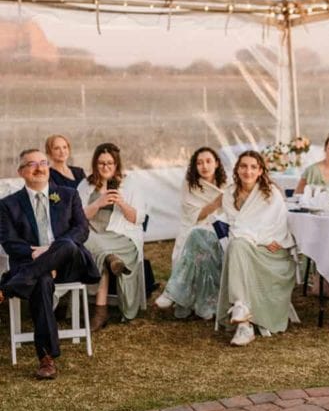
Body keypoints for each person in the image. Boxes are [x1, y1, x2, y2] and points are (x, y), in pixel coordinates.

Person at [0, 148, 99, 379]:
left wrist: (50, 251)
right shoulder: (8, 205)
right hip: (34, 267)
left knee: (67, 245)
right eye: (32, 164)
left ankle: (9, 287)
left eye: (43, 163)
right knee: (42, 280)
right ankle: (46, 358)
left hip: (69, 265)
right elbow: (9, 242)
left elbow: (82, 230)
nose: (39, 168)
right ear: (21, 172)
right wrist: (40, 259)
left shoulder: (68, 194)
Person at [216, 150, 296, 346]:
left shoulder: (271, 193)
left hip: (270, 252)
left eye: (253, 167)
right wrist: (258, 238)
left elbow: (278, 226)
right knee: (238, 245)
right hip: (246, 246)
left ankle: (242, 313)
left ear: (260, 170)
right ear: (237, 169)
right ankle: (243, 320)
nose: (248, 171)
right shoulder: (229, 193)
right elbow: (236, 226)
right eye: (243, 166)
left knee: (237, 246)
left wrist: (259, 239)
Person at [77, 142, 146, 331]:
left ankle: (100, 313)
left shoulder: (130, 184)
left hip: (120, 237)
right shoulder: (86, 184)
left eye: (110, 163)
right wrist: (98, 203)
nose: (105, 167)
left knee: (101, 253)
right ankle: (109, 259)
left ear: (116, 164)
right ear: (95, 164)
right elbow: (77, 218)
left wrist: (122, 203)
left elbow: (137, 219)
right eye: (101, 163)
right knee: (93, 244)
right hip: (92, 235)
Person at [155, 146, 227, 319]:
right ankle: (190, 300)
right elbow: (194, 215)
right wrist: (217, 202)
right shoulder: (189, 185)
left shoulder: (228, 183)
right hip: (196, 224)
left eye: (208, 161)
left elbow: (233, 211)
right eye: (199, 163)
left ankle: (175, 293)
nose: (204, 166)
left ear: (216, 163)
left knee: (199, 236)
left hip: (220, 228)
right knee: (194, 235)